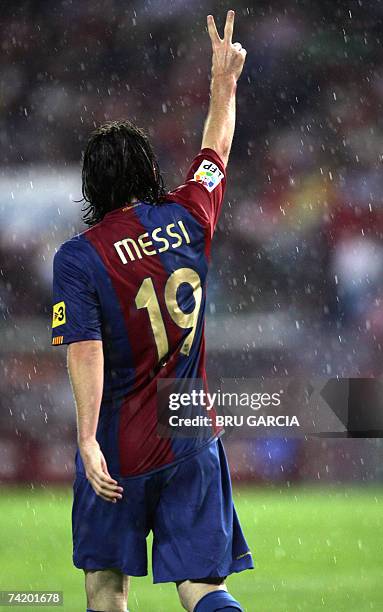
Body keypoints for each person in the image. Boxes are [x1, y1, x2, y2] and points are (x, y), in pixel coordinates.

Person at [51, 10, 252, 612]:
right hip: (189, 432)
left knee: (107, 587)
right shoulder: (191, 215)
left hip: (119, 443)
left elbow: (85, 348)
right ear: (148, 172)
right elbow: (215, 147)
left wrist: (87, 440)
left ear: (93, 188)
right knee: (204, 588)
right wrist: (224, 84)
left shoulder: (79, 258)